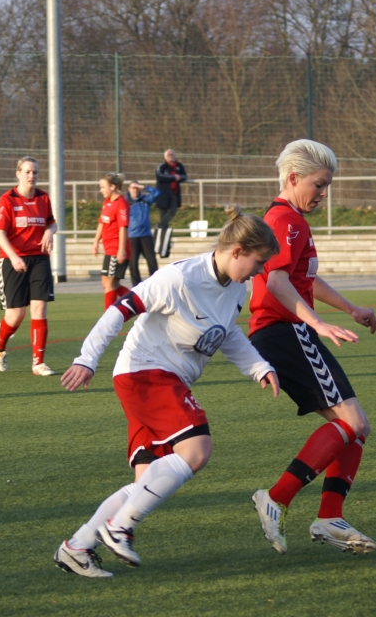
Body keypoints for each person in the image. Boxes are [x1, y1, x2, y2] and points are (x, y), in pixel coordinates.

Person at [54, 205, 281, 578]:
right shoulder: (179, 278)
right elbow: (119, 310)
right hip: (146, 374)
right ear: (237, 251)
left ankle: (77, 547)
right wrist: (86, 358)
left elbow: (227, 333)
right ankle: (118, 527)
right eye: (258, 261)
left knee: (146, 482)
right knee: (196, 449)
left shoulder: (238, 287)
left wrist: (258, 367)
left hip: (162, 379)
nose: (261, 270)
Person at [248, 139, 376, 556]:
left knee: (355, 428)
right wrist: (318, 324)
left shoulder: (290, 221)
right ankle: (278, 498)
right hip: (284, 331)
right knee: (353, 424)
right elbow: (276, 283)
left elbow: (302, 278)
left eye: (327, 186)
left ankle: (328, 516)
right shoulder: (284, 219)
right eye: (319, 185)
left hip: (285, 331)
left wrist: (349, 307)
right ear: (293, 179)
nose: (323, 194)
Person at [0, 156, 58, 376]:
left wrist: (50, 231)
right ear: (18, 173)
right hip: (13, 260)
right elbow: (0, 233)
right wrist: (13, 257)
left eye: (36, 172)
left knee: (39, 308)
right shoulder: (7, 200)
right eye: (28, 172)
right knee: (16, 315)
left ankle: (38, 363)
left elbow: (52, 222)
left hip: (39, 259)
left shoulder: (43, 198)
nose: (32, 176)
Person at [93, 173, 131, 309]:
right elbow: (102, 222)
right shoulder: (107, 201)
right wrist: (96, 241)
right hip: (109, 248)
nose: (101, 190)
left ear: (113, 187)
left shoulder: (121, 203)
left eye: (103, 187)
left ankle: (108, 320)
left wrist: (121, 250)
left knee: (109, 284)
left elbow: (123, 228)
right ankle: (139, 304)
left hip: (116, 248)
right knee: (109, 283)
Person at [154, 149, 187, 256]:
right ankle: (163, 248)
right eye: (168, 155)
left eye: (172, 154)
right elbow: (160, 176)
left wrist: (179, 177)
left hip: (174, 194)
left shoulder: (179, 166)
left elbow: (184, 176)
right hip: (163, 195)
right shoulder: (162, 167)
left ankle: (159, 226)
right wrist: (174, 177)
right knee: (164, 221)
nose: (171, 156)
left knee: (172, 211)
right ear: (165, 157)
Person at [126, 179, 159, 285]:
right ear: (129, 189)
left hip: (146, 235)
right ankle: (136, 286)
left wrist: (143, 187)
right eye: (133, 188)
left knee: (152, 261)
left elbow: (157, 193)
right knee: (133, 263)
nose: (135, 190)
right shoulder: (126, 203)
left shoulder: (145, 200)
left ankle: (155, 284)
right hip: (132, 236)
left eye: (136, 188)